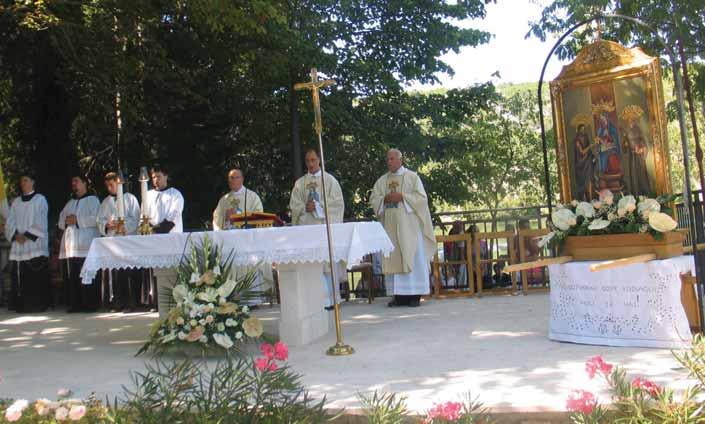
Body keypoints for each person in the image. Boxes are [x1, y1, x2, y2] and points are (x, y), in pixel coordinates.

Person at [369, 149, 435, 307]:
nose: (389, 161)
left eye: (392, 158)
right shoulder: (382, 181)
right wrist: (384, 199)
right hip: (390, 227)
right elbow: (374, 199)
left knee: (412, 257)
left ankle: (415, 295)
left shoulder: (412, 177)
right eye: (388, 159)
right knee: (394, 258)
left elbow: (422, 199)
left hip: (409, 228)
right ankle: (398, 296)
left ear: (400, 160)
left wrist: (403, 197)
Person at [289, 149, 345, 307]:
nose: (311, 164)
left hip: (324, 228)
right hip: (308, 229)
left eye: (313, 160)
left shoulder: (330, 181)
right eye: (308, 161)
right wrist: (305, 207)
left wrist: (319, 206)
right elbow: (294, 205)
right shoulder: (300, 183)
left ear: (319, 160)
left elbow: (338, 204)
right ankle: (314, 301)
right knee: (311, 264)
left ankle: (331, 300)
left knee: (327, 264)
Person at [213, 168, 271, 305]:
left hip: (248, 241)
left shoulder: (252, 196)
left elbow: (259, 216)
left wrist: (241, 216)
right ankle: (234, 298)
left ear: (242, 179)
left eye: (235, 177)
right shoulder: (224, 200)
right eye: (230, 178)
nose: (232, 181)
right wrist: (226, 218)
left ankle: (253, 300)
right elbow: (216, 220)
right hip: (231, 243)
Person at [5, 175, 50, 313]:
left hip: (34, 244)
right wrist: (15, 235)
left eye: (25, 180)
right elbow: (10, 221)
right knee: (21, 276)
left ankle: (37, 304)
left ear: (33, 182)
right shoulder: (16, 202)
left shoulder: (40, 199)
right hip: (19, 244)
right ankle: (21, 304)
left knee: (35, 276)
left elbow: (41, 219)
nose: (22, 183)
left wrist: (27, 235)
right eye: (21, 181)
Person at [97, 172, 140, 312]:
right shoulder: (105, 202)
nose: (109, 188)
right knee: (116, 273)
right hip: (113, 241)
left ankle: (132, 302)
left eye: (112, 185)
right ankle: (117, 302)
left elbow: (136, 218)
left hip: (127, 240)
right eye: (107, 186)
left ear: (119, 183)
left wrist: (123, 226)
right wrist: (107, 225)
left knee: (128, 271)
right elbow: (100, 220)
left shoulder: (130, 198)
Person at [58, 174, 100, 312]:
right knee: (73, 276)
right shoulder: (70, 202)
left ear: (84, 183)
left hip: (86, 244)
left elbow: (97, 219)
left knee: (86, 275)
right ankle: (74, 304)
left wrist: (78, 220)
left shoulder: (93, 200)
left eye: (76, 181)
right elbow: (60, 221)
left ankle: (90, 304)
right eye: (72, 182)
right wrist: (66, 221)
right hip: (71, 246)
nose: (74, 184)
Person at [147, 165, 184, 233]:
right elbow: (144, 216)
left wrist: (157, 230)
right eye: (153, 177)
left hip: (171, 236)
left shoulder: (175, 194)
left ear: (166, 176)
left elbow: (173, 216)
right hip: (151, 237)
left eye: (158, 176)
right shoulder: (147, 195)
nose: (156, 180)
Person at [574, 124, 597, 200]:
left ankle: (591, 197)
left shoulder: (586, 137)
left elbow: (589, 151)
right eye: (581, 130)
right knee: (584, 183)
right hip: (581, 164)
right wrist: (590, 146)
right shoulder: (577, 141)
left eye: (584, 129)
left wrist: (593, 156)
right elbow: (582, 152)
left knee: (590, 180)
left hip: (588, 161)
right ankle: (585, 198)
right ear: (579, 131)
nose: (583, 131)